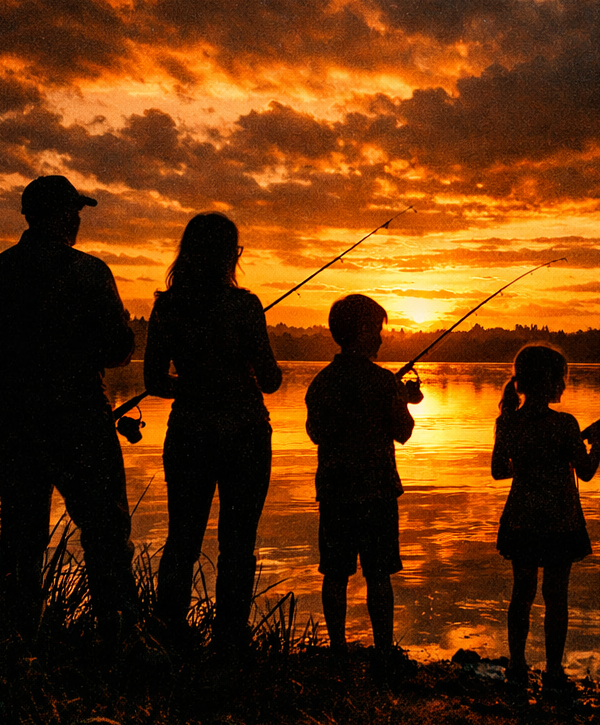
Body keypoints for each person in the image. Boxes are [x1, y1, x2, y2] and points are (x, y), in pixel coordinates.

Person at [0, 175, 140, 636]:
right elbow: (118, 349)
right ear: (61, 216)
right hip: (80, 418)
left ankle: (20, 637)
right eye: (75, 213)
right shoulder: (89, 272)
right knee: (106, 531)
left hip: (17, 420)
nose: (79, 221)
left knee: (22, 536)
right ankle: (118, 636)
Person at [143, 213, 282, 653]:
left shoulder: (167, 306)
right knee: (238, 542)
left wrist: (191, 383)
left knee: (182, 538)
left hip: (188, 430)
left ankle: (168, 632)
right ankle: (229, 639)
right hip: (244, 431)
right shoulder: (245, 306)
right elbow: (271, 379)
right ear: (231, 255)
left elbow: (153, 380)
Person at [491, 344, 600, 692]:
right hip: (561, 522)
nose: (564, 384)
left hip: (521, 519)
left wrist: (529, 462)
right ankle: (554, 673)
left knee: (522, 593)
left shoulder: (508, 422)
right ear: (549, 381)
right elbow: (587, 473)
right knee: (556, 596)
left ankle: (517, 665)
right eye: (561, 377)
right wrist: (597, 444)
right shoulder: (565, 424)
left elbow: (499, 471)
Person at [304, 294, 421, 660]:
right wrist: (399, 398)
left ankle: (337, 647)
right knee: (379, 574)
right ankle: (383, 649)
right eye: (379, 330)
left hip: (335, 491)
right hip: (377, 492)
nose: (383, 339)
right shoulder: (384, 383)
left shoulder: (321, 382)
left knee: (335, 573)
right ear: (365, 331)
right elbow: (403, 431)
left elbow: (315, 433)